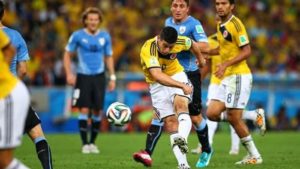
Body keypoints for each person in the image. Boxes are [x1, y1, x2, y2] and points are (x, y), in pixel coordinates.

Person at [133, 0, 213, 168]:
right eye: (165, 46)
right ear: (159, 38)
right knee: (170, 123)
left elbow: (193, 44)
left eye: (171, 47)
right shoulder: (149, 49)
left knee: (181, 105)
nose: (168, 50)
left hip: (177, 73)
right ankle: (183, 164)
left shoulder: (179, 40)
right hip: (157, 84)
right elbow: (157, 75)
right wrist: (181, 86)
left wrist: (200, 60)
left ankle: (182, 140)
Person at [206, 0, 263, 164]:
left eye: (224, 3)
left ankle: (255, 155)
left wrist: (225, 64)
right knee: (211, 113)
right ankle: (254, 115)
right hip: (227, 77)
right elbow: (223, 49)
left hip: (238, 76)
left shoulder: (235, 24)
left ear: (232, 6)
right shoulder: (220, 23)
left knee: (233, 118)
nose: (220, 6)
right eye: (217, 3)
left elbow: (247, 50)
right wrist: (207, 54)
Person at [191, 33, 266, 155]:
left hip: (234, 79)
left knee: (233, 114)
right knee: (213, 113)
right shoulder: (211, 41)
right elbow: (208, 64)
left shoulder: (232, 34)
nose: (219, 19)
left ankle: (233, 148)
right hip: (217, 82)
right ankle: (253, 116)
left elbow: (244, 53)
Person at [0, 1, 53, 168]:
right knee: (38, 135)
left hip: (4, 95)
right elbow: (23, 70)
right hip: (14, 92)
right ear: (3, 14)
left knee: (4, 159)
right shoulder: (15, 36)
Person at [63, 7, 116, 154]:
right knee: (84, 109)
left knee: (98, 111)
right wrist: (69, 73)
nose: (93, 22)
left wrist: (112, 77)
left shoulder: (105, 36)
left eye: (95, 19)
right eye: (90, 19)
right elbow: (67, 55)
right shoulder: (77, 36)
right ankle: (84, 143)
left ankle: (93, 143)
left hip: (99, 76)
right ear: (85, 20)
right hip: (82, 76)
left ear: (99, 21)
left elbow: (109, 57)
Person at [0, 29, 30, 169]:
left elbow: (10, 50)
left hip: (7, 93)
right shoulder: (12, 34)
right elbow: (10, 50)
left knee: (4, 161)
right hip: (11, 92)